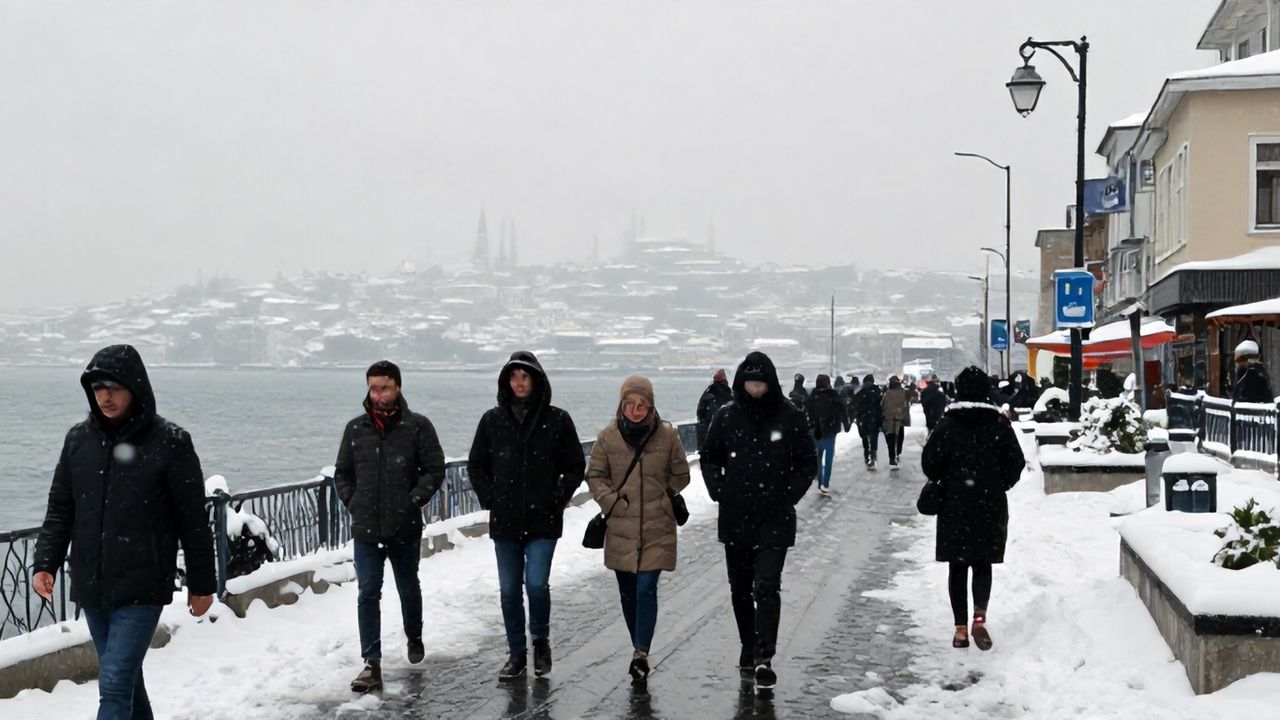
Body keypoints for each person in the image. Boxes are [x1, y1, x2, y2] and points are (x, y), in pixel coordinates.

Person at [33, 345, 216, 720]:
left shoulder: (170, 442)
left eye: (114, 386)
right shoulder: (78, 441)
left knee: (114, 682)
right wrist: (45, 562)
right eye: (98, 387)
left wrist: (203, 582)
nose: (105, 396)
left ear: (134, 387)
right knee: (127, 682)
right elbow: (61, 509)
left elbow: (192, 519)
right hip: (92, 583)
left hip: (143, 586)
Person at [700, 351, 818, 692]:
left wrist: (789, 495)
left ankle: (765, 655)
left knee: (766, 586)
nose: (755, 390)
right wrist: (719, 490)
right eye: (749, 384)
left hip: (775, 517)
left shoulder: (789, 416)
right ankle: (748, 645)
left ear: (771, 384)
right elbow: (710, 458)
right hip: (736, 515)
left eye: (760, 384)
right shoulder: (726, 416)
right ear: (740, 384)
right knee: (740, 589)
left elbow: (806, 461)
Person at [468, 351, 586, 680]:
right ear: (507, 382)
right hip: (505, 521)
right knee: (508, 590)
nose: (519, 383)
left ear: (536, 380)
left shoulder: (557, 419)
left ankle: (541, 640)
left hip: (542, 521)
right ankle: (517, 653)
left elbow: (575, 465)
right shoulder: (493, 420)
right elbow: (476, 464)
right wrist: (491, 497)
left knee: (535, 584)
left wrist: (557, 497)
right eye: (514, 377)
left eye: (525, 376)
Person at [334, 361, 446, 692]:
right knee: (368, 592)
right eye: (372, 387)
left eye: (383, 387)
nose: (377, 394)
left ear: (397, 386)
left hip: (404, 526)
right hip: (366, 527)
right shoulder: (356, 430)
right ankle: (372, 663)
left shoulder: (417, 427)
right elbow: (343, 472)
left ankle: (414, 633)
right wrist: (352, 501)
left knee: (408, 586)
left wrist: (413, 499)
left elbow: (435, 468)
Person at [586, 376, 690, 682]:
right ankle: (637, 644)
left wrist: (662, 496)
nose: (635, 410)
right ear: (621, 405)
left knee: (646, 588)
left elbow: (682, 474)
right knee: (628, 593)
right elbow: (595, 476)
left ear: (651, 406)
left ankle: (640, 652)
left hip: (657, 526)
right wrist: (611, 502)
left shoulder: (668, 436)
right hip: (621, 526)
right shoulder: (607, 437)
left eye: (641, 405)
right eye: (629, 404)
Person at [921, 366, 1025, 651]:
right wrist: (997, 483)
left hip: (954, 504)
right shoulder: (999, 425)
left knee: (957, 566)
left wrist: (950, 477)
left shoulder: (947, 424)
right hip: (988, 503)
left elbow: (929, 464)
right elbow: (1016, 463)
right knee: (982, 562)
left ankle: (960, 628)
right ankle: (980, 616)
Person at [805, 374, 845, 495]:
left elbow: (807, 413)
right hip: (830, 432)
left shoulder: (813, 396)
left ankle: (820, 480)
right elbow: (842, 410)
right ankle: (825, 483)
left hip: (816, 432)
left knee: (818, 457)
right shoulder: (833, 395)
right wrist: (845, 423)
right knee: (828, 459)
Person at [695, 368, 733, 452]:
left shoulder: (708, 393)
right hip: (718, 434)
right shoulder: (725, 393)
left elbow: (701, 414)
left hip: (706, 434)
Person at [852, 374, 883, 469]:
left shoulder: (860, 392)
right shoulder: (878, 392)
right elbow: (880, 406)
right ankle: (873, 455)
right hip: (874, 418)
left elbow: (855, 405)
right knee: (874, 436)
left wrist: (857, 416)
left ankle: (867, 456)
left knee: (865, 437)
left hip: (863, 418)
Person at [881, 376, 909, 469]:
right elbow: (906, 404)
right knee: (900, 436)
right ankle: (898, 451)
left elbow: (882, 405)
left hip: (889, 418)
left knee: (890, 438)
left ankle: (892, 457)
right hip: (899, 419)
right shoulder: (903, 392)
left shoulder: (887, 393)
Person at [1232, 339, 1273, 403]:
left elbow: (1246, 400)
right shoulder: (1248, 373)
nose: (1237, 363)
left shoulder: (1253, 375)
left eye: (1238, 360)